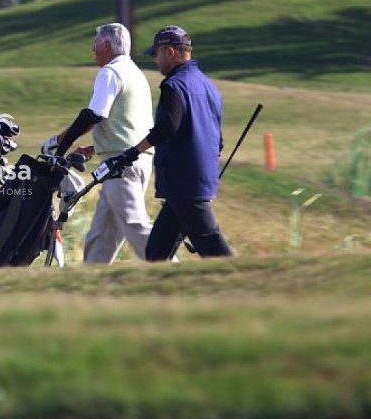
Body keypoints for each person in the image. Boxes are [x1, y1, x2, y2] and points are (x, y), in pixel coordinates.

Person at [100, 25, 234, 261]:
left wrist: (131, 153)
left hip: (184, 184)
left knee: (214, 250)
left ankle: (249, 282)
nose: (155, 60)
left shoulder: (174, 86)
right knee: (156, 254)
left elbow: (166, 128)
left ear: (170, 52)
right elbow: (218, 140)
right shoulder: (208, 86)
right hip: (193, 182)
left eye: (156, 54)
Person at [42, 23, 155, 263]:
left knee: (136, 226)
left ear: (106, 44)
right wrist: (93, 148)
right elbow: (126, 123)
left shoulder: (111, 72)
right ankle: (91, 287)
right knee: (101, 237)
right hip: (134, 162)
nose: (93, 50)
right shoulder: (135, 73)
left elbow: (93, 116)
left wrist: (59, 147)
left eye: (95, 45)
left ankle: (171, 270)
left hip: (122, 166)